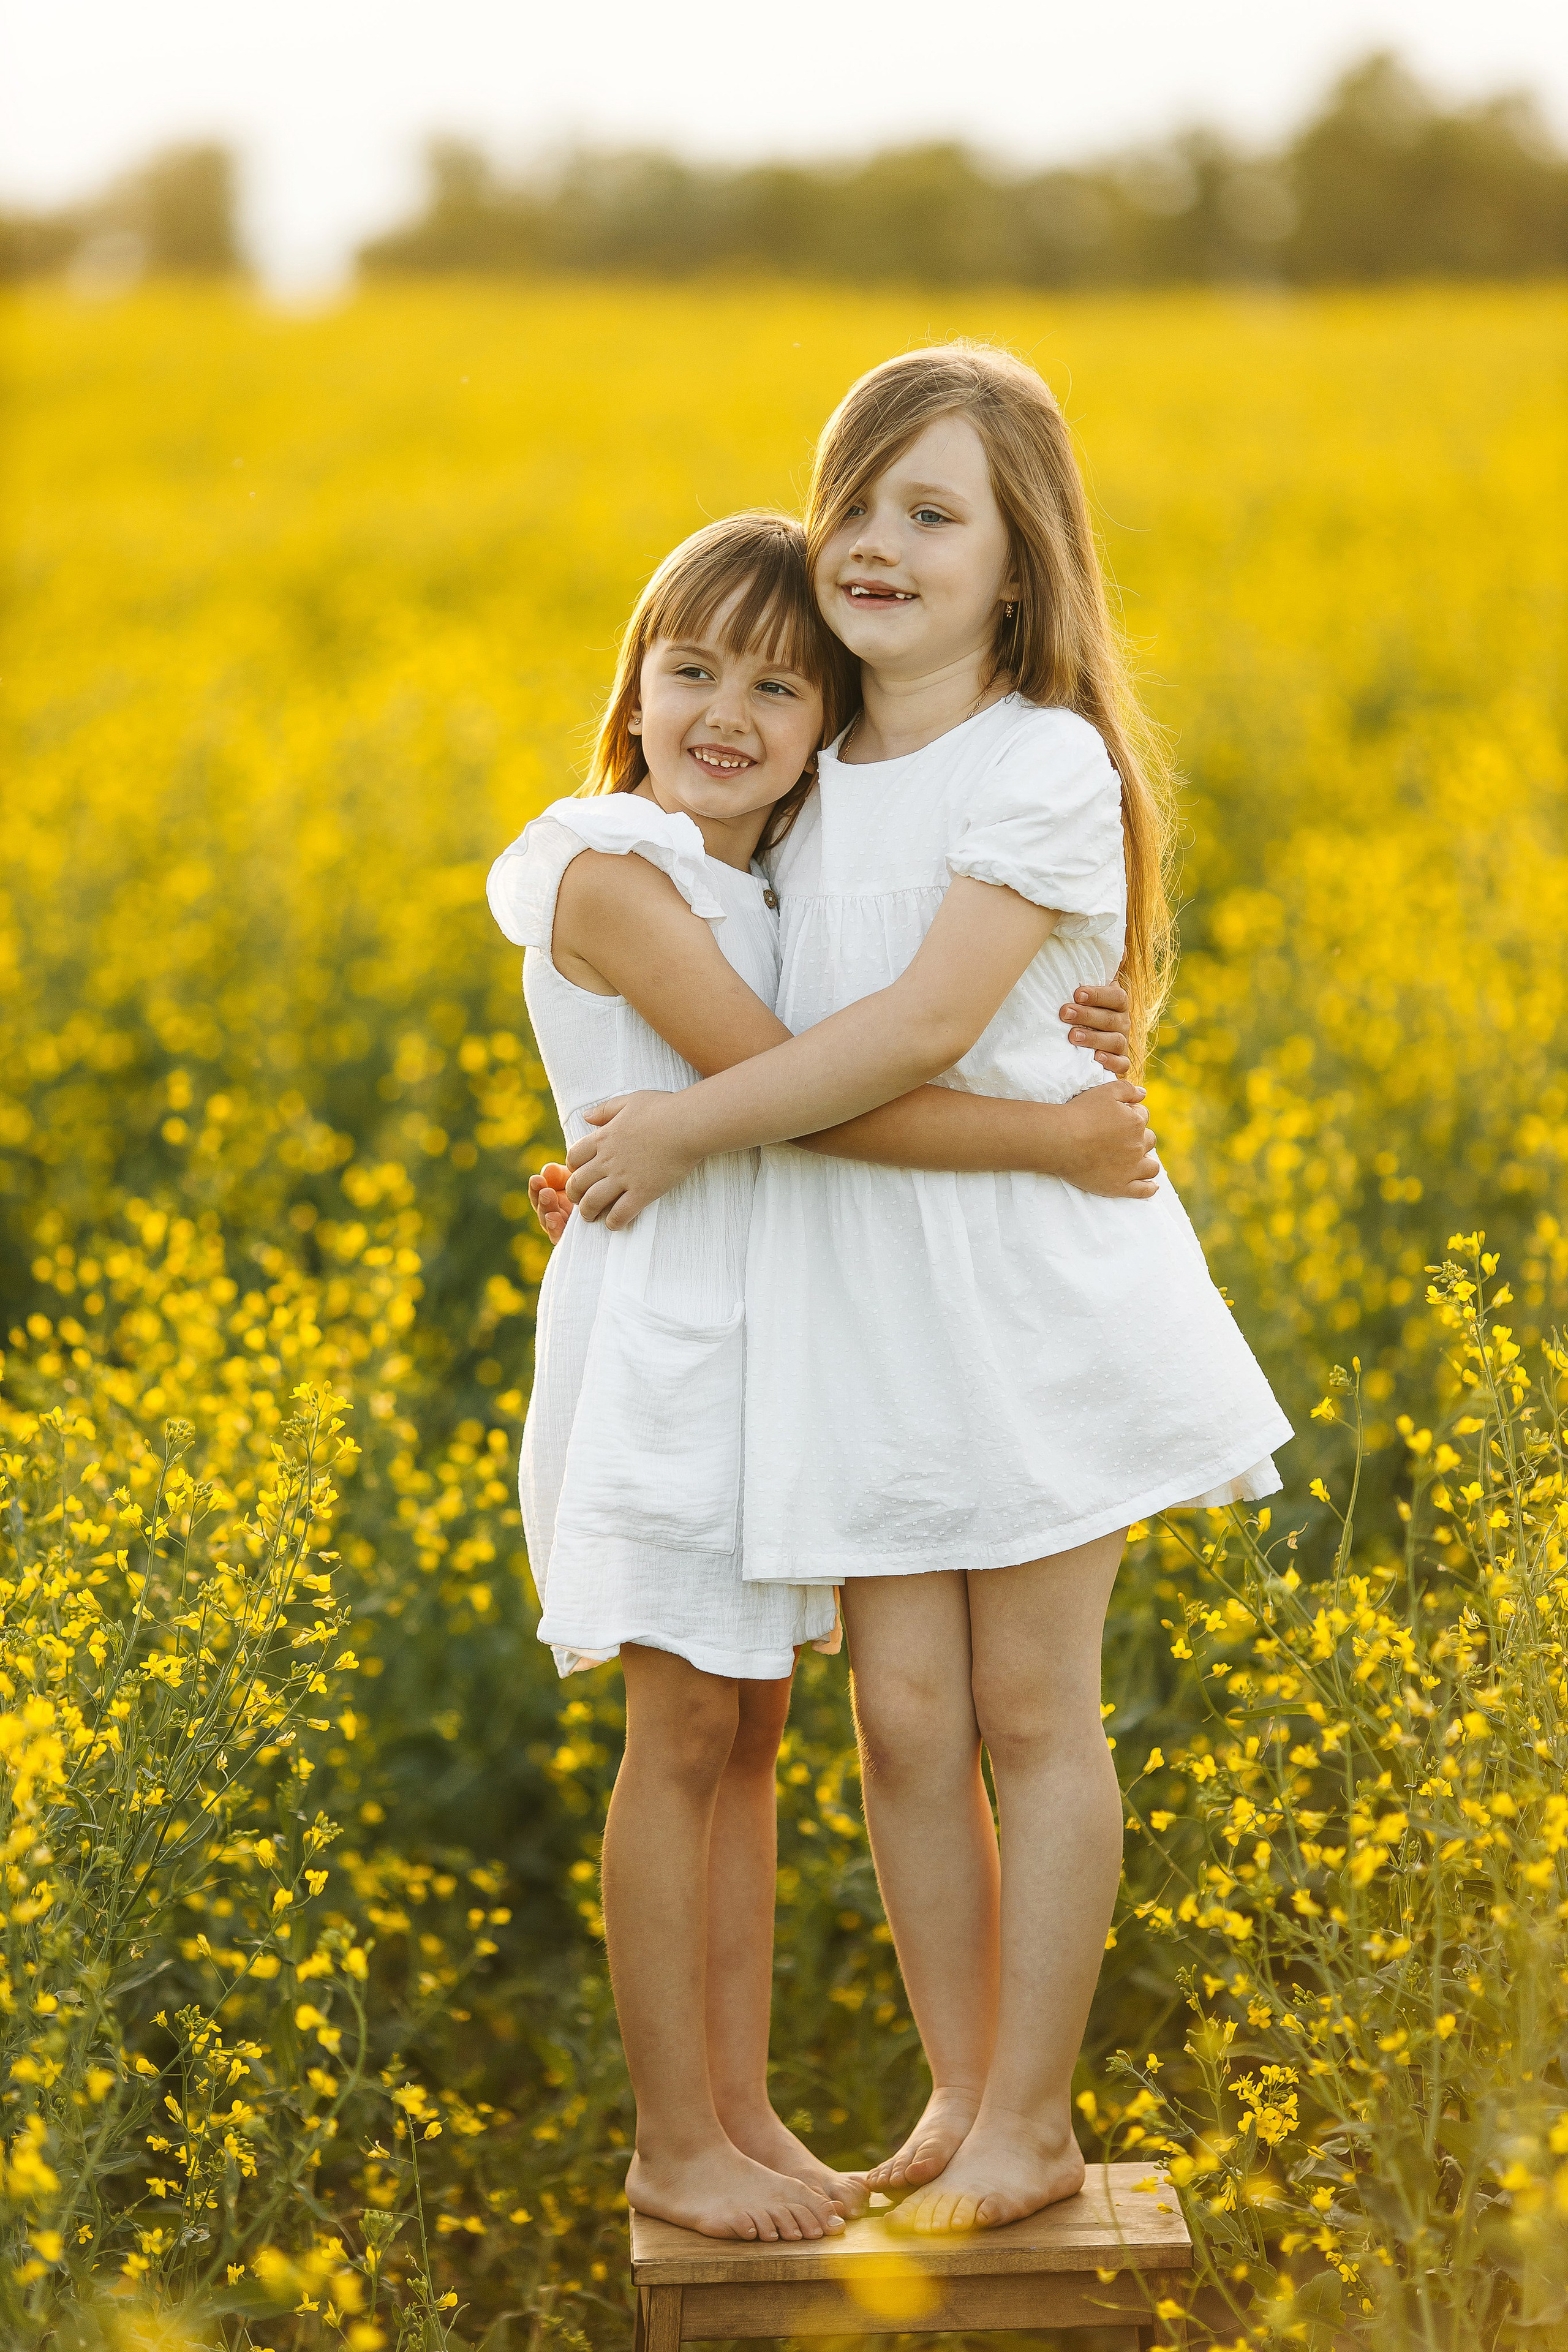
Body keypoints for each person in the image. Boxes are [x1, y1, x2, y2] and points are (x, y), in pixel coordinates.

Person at [560, 345, 1294, 2234]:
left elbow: (926, 1025)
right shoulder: (804, 773)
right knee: (899, 1716)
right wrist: (607, 1117)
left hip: (1030, 1292)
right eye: (859, 502)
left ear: (1018, 568)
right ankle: (967, 2095)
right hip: (860, 1306)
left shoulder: (1042, 757)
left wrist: (689, 1126)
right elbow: (696, 939)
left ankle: (1034, 2116)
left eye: (931, 512)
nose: (878, 543)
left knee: (1033, 1709)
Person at [488, 507, 1149, 2244]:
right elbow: (811, 1084)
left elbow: (866, 1018)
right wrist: (1055, 1139)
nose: (727, 708)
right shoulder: (611, 867)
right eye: (690, 668)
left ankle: (742, 2111)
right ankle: (672, 2140)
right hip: (670, 1349)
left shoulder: (764, 869)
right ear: (629, 691)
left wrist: (1103, 1017)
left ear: (827, 719)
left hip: (776, 1346)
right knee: (682, 1729)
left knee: (754, 1733)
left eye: (778, 686)